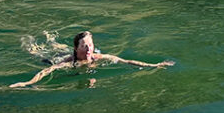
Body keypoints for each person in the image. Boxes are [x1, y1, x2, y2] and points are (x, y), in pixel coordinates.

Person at [10, 31, 174, 88]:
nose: (89, 49)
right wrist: (27, 83)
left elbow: (127, 61)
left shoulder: (98, 57)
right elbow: (46, 71)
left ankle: (52, 41)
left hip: (73, 55)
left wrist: (155, 65)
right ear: (77, 48)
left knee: (56, 46)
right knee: (40, 55)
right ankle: (31, 44)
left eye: (90, 45)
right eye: (84, 46)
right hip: (55, 59)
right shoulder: (69, 63)